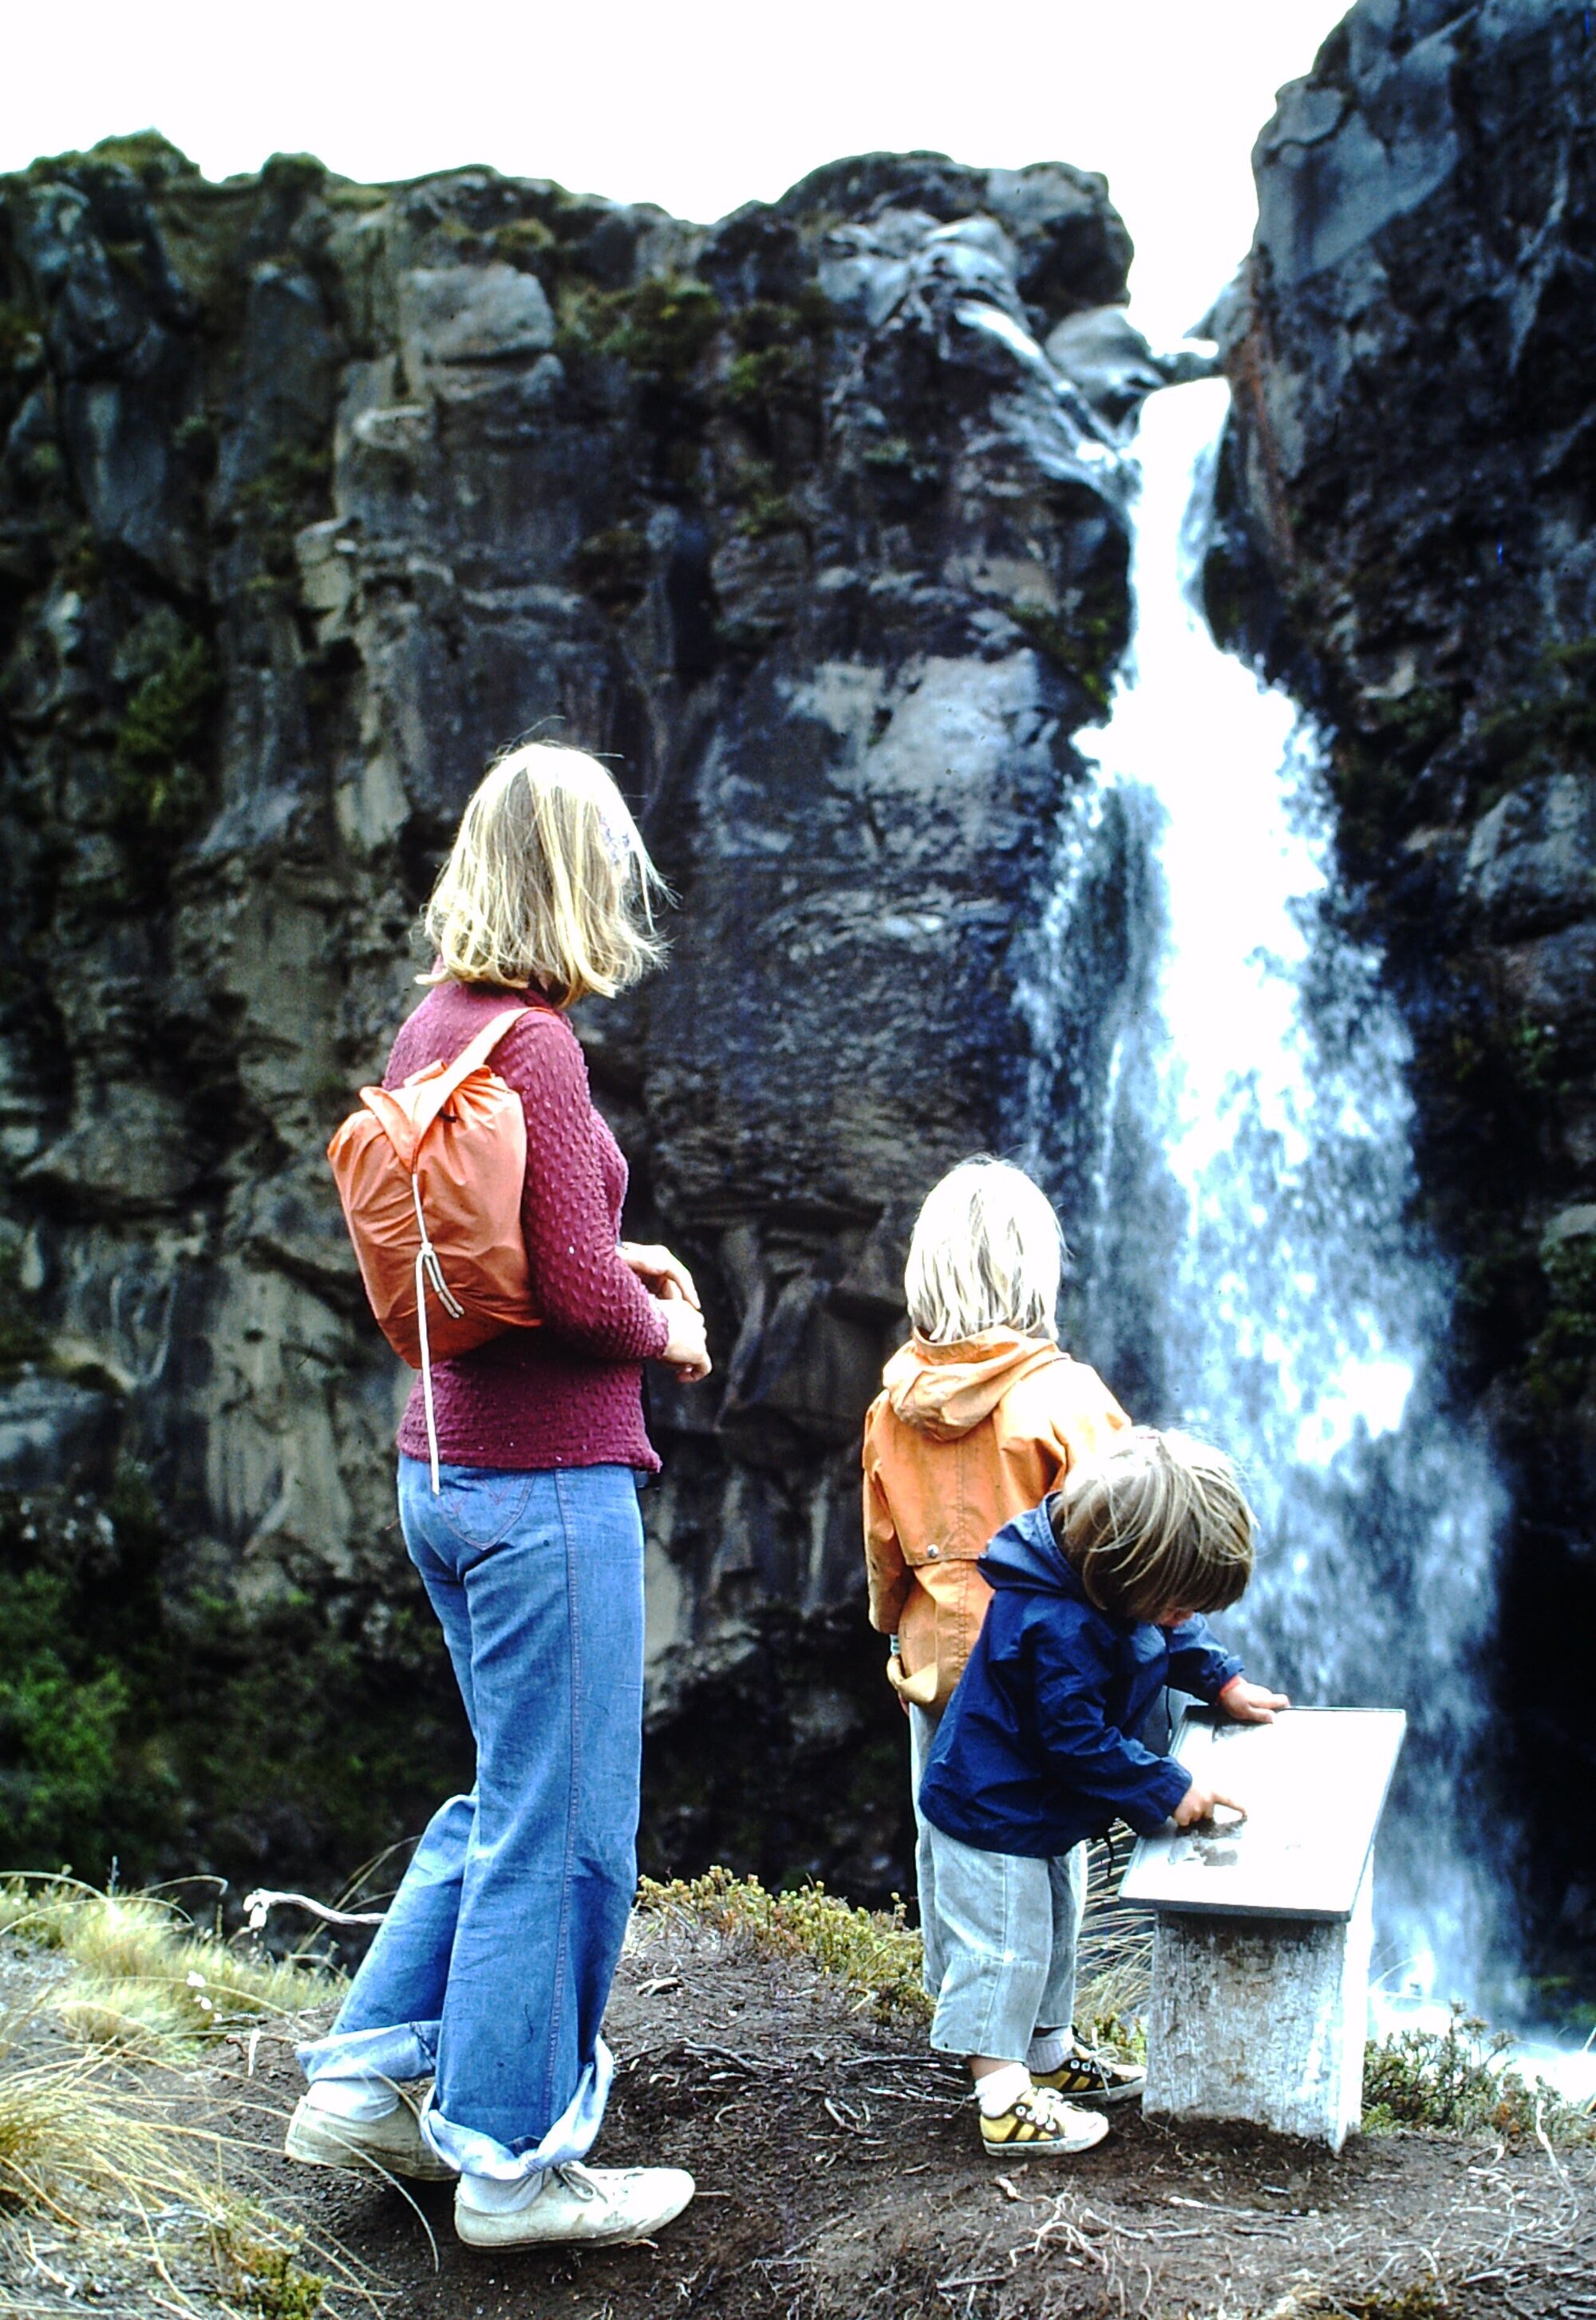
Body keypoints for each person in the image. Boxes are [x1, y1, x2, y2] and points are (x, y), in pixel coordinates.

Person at [284, 741, 711, 2251]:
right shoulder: (537, 1043)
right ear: (581, 878)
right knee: (571, 1823)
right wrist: (669, 1320)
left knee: (506, 1786)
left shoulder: (434, 1023)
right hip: (545, 1489)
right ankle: (516, 2163)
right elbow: (581, 1296)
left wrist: (619, 1264)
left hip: (443, 1465)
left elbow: (493, 1258)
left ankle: (369, 2075)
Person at [862, 1157, 1142, 2132]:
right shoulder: (1069, 1400)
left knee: (968, 1858)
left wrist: (894, 1641)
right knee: (1032, 1863)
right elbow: (1128, 1543)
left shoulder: (891, 1404)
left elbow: (882, 1546)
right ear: (1037, 1273)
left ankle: (1045, 2052)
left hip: (939, 1667)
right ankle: (1001, 2092)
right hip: (1043, 1675)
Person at [918, 1426, 1290, 2159]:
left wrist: (1224, 1679)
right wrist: (1166, 1785)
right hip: (989, 1812)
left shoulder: (1106, 1583)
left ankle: (1050, 2055)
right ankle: (1001, 2097)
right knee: (1004, 1946)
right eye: (1177, 1603)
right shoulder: (1054, 1621)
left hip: (1036, 1813)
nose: (1181, 1618)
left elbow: (1166, 1632)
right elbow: (1074, 1739)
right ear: (1127, 1576)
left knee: (1056, 1928)